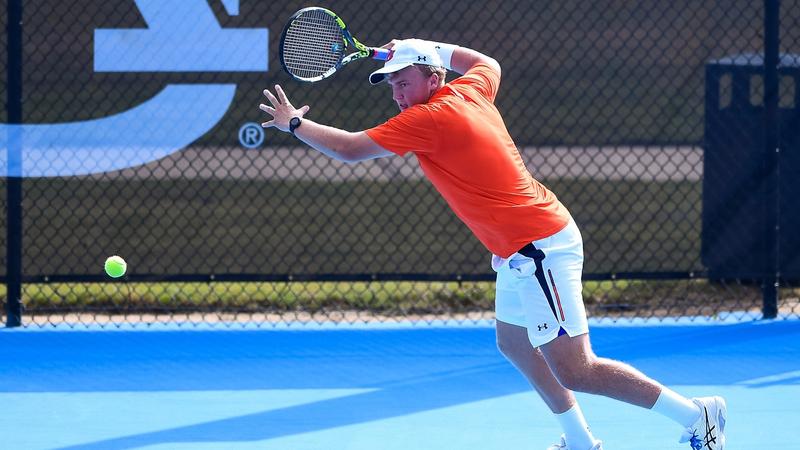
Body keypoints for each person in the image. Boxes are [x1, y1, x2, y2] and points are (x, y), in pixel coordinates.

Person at [259, 38, 727, 450]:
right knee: (515, 343)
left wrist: (294, 125)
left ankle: (696, 416)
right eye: (392, 85)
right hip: (520, 250)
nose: (398, 94)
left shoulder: (430, 118)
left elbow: (350, 148)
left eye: (404, 81)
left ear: (433, 78)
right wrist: (424, 43)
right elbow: (486, 61)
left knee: (576, 369)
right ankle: (582, 441)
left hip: (539, 246)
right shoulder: (471, 88)